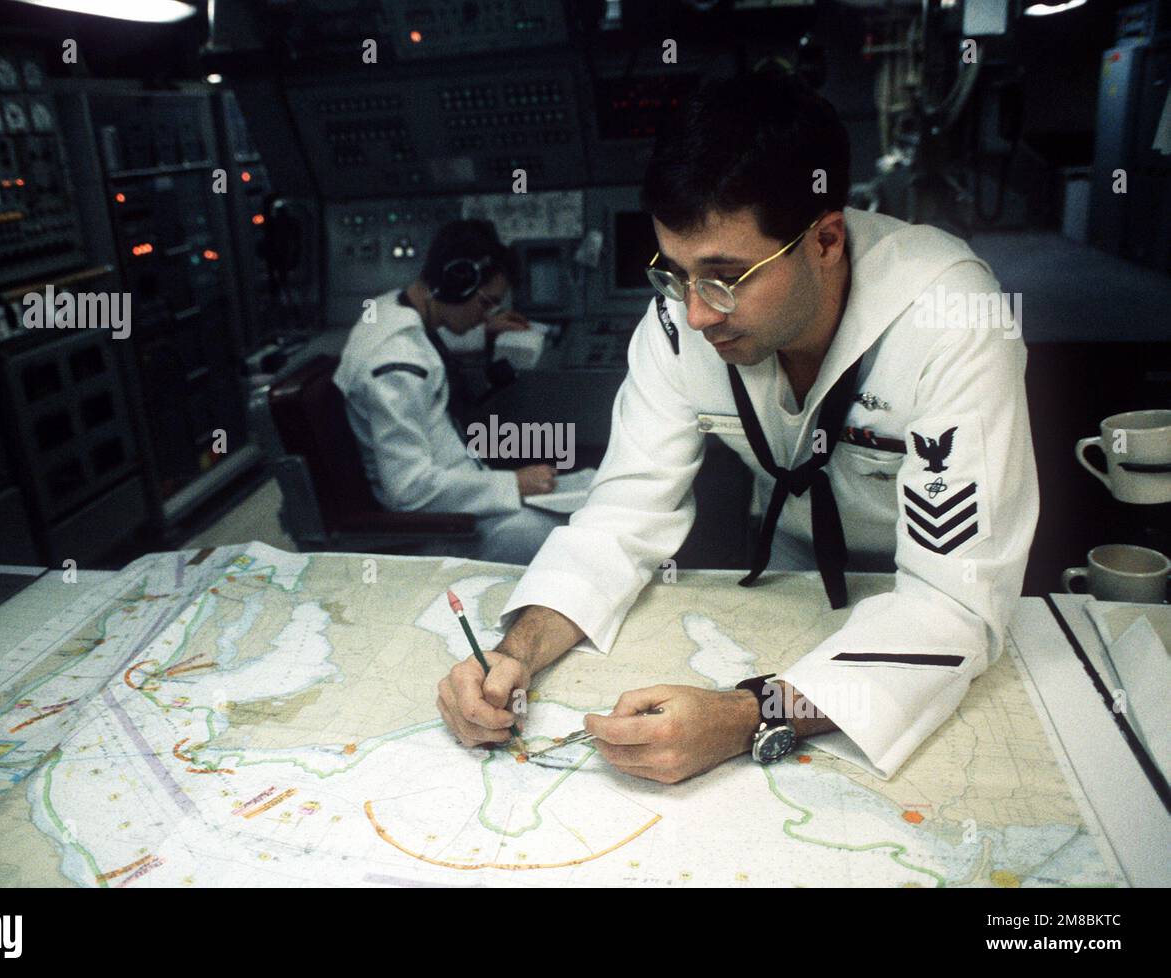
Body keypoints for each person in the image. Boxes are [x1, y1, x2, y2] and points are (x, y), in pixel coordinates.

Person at [435, 72, 1039, 783]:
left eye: (725, 277)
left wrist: (746, 717)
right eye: (676, 273)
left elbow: (953, 598)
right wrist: (515, 652)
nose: (696, 314)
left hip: (923, 612)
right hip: (788, 579)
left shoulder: (951, 316)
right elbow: (622, 515)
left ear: (825, 240)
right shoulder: (680, 316)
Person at [333, 219, 566, 564]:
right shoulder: (396, 364)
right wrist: (512, 484)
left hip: (460, 501)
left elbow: (429, 341)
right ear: (457, 281)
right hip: (439, 531)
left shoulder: (391, 310)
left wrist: (481, 331)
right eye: (486, 303)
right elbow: (409, 490)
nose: (486, 314)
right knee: (570, 536)